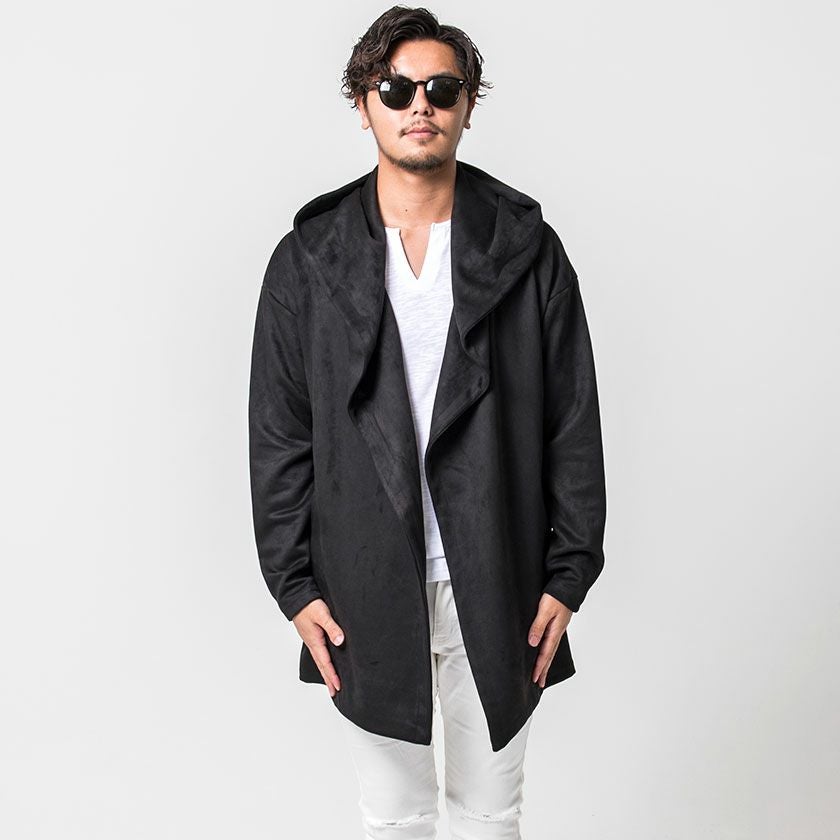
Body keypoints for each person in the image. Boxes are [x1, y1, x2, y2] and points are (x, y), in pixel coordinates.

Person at [248, 6, 607, 838]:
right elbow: (280, 434)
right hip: (363, 583)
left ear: (467, 105)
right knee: (394, 817)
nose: (421, 105)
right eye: (396, 88)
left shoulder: (528, 251)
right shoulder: (309, 261)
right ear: (363, 102)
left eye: (442, 90)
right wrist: (294, 586)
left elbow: (573, 418)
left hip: (502, 575)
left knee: (490, 813)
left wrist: (569, 573)